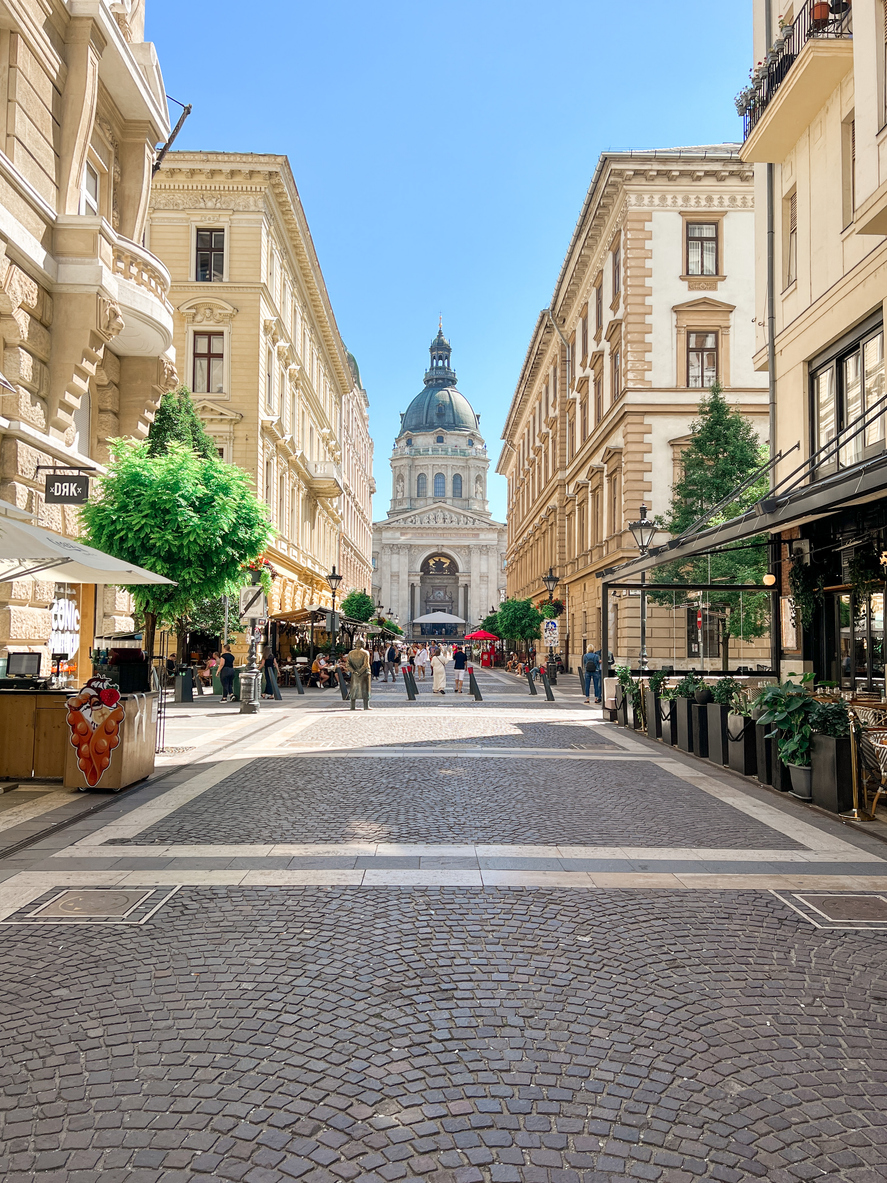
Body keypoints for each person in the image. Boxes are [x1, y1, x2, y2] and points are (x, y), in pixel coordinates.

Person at [346, 641, 371, 711]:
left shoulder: (350, 653)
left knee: (354, 689)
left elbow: (347, 664)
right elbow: (366, 664)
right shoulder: (365, 653)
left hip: (354, 673)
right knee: (365, 689)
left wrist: (353, 671)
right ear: (363, 644)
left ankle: (352, 706)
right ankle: (366, 706)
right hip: (364, 673)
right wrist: (360, 672)